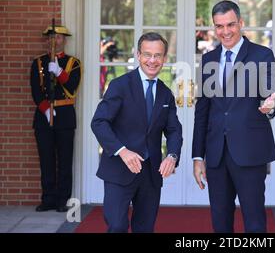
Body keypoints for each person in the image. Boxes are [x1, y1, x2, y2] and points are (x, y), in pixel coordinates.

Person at [192, 0, 275, 233]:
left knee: (254, 221)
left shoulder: (262, 55)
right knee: (220, 221)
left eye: (230, 25)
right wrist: (197, 157)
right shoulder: (208, 60)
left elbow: (274, 96)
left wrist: (270, 104)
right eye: (219, 26)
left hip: (250, 151)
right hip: (216, 154)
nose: (225, 32)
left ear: (241, 23)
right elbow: (202, 112)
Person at [91, 32, 182, 233]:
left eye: (158, 55)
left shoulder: (166, 93)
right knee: (117, 226)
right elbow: (99, 122)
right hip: (119, 169)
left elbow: (174, 130)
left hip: (150, 174)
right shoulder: (120, 85)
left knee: (145, 228)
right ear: (138, 55)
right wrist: (122, 151)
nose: (152, 60)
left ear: (164, 59)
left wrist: (172, 156)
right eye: (147, 54)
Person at [30, 25, 81, 212]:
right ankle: (48, 199)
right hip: (44, 118)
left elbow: (73, 87)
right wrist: (45, 109)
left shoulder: (73, 63)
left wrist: (59, 73)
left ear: (64, 40)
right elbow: (36, 90)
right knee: (46, 160)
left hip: (65, 117)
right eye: (51, 37)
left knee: (65, 161)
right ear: (47, 40)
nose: (54, 41)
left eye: (58, 37)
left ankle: (63, 200)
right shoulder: (37, 63)